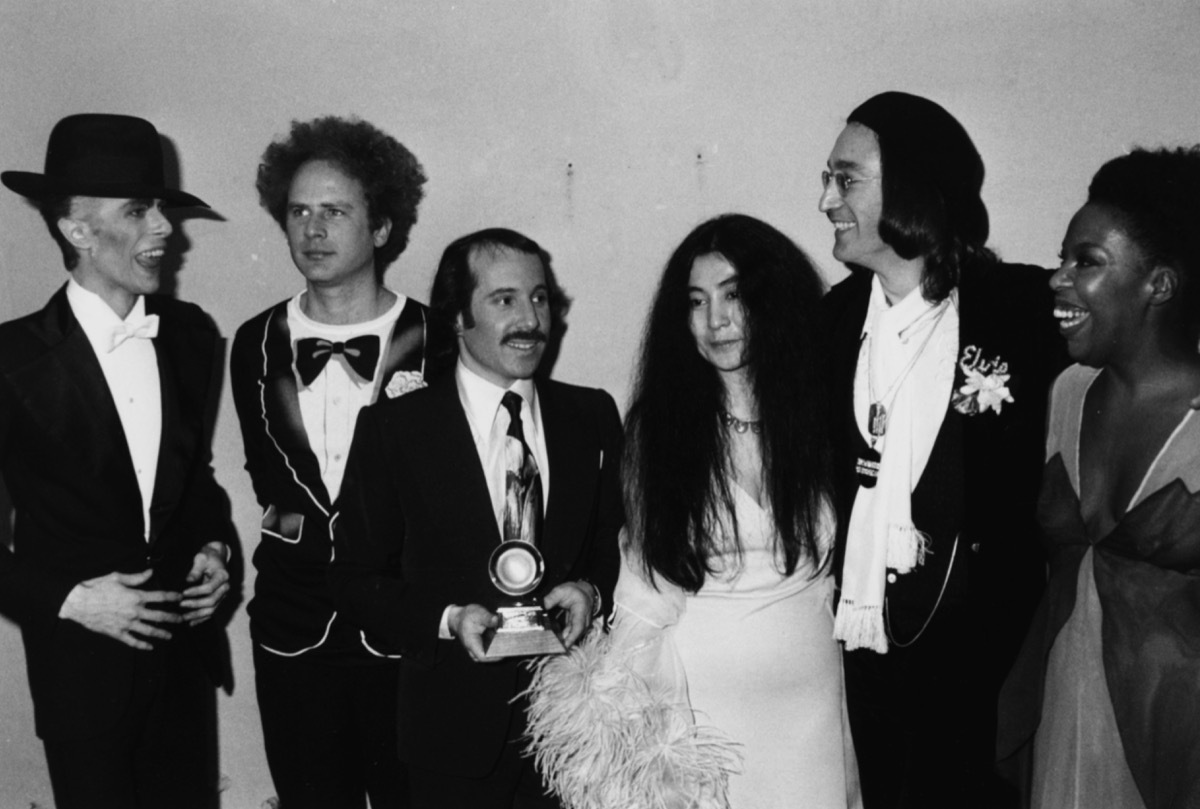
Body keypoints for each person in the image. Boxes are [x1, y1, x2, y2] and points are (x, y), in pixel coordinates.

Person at [527, 213, 860, 809]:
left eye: (734, 295)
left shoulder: (825, 413)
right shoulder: (660, 430)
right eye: (697, 301)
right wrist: (621, 725)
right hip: (704, 714)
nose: (716, 321)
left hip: (812, 703)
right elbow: (645, 585)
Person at [816, 92, 1064, 808]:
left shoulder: (1019, 309)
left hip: (985, 665)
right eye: (828, 180)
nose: (826, 200)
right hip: (864, 650)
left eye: (845, 179)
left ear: (912, 187)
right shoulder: (829, 324)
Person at [330, 228, 623, 809]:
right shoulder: (396, 429)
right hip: (450, 741)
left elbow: (617, 545)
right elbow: (354, 580)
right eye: (504, 300)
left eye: (539, 298)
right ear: (457, 317)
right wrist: (447, 619)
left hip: (575, 737)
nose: (530, 320)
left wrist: (590, 590)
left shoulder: (591, 415)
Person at [0, 114, 233, 809]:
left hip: (183, 666)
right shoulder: (10, 361)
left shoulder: (191, 335)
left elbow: (190, 480)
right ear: (76, 229)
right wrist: (73, 600)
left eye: (160, 207)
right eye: (138, 210)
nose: (164, 228)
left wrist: (214, 545)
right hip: (82, 678)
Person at [230, 115, 428, 809]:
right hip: (294, 629)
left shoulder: (436, 337)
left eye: (335, 211)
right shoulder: (254, 341)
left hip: (406, 633)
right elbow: (269, 479)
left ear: (382, 227)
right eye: (299, 211)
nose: (312, 230)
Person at [997, 147, 1200, 809]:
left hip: (1176, 751)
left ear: (1158, 285)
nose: (1058, 278)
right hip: (1063, 720)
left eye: (1086, 261)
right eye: (1063, 258)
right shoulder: (1067, 393)